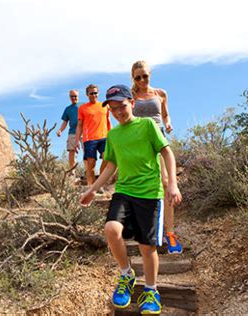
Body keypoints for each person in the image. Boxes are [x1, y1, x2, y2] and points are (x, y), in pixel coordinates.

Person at [80, 84, 182, 314]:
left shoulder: (147, 125)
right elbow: (111, 165)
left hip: (149, 194)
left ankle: (151, 290)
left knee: (147, 248)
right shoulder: (113, 135)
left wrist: (172, 184)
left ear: (132, 103)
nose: (117, 112)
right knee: (111, 229)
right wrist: (93, 189)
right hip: (124, 191)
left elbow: (167, 152)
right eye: (113, 109)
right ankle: (126, 274)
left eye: (122, 106)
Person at [131, 60, 182, 254]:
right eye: (138, 77)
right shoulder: (131, 95)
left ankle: (169, 233)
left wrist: (168, 124)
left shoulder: (160, 93)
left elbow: (166, 115)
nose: (142, 80)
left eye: (145, 76)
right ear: (133, 78)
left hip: (159, 138)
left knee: (166, 180)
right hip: (138, 141)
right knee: (142, 184)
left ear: (150, 74)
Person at [74, 84, 111, 185]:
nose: (94, 95)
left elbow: (108, 122)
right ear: (87, 94)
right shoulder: (82, 108)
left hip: (104, 137)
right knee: (91, 164)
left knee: (107, 158)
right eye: (91, 93)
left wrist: (111, 135)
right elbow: (80, 125)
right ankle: (91, 187)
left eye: (95, 93)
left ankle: (99, 184)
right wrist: (77, 141)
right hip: (89, 139)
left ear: (98, 93)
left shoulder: (105, 106)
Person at [56, 89, 80, 172]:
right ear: (69, 97)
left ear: (78, 96)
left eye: (75, 96)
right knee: (71, 153)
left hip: (84, 132)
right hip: (72, 133)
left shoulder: (83, 106)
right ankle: (72, 172)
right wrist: (60, 130)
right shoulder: (68, 109)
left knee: (88, 152)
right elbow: (65, 122)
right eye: (72, 96)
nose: (74, 98)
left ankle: (88, 173)